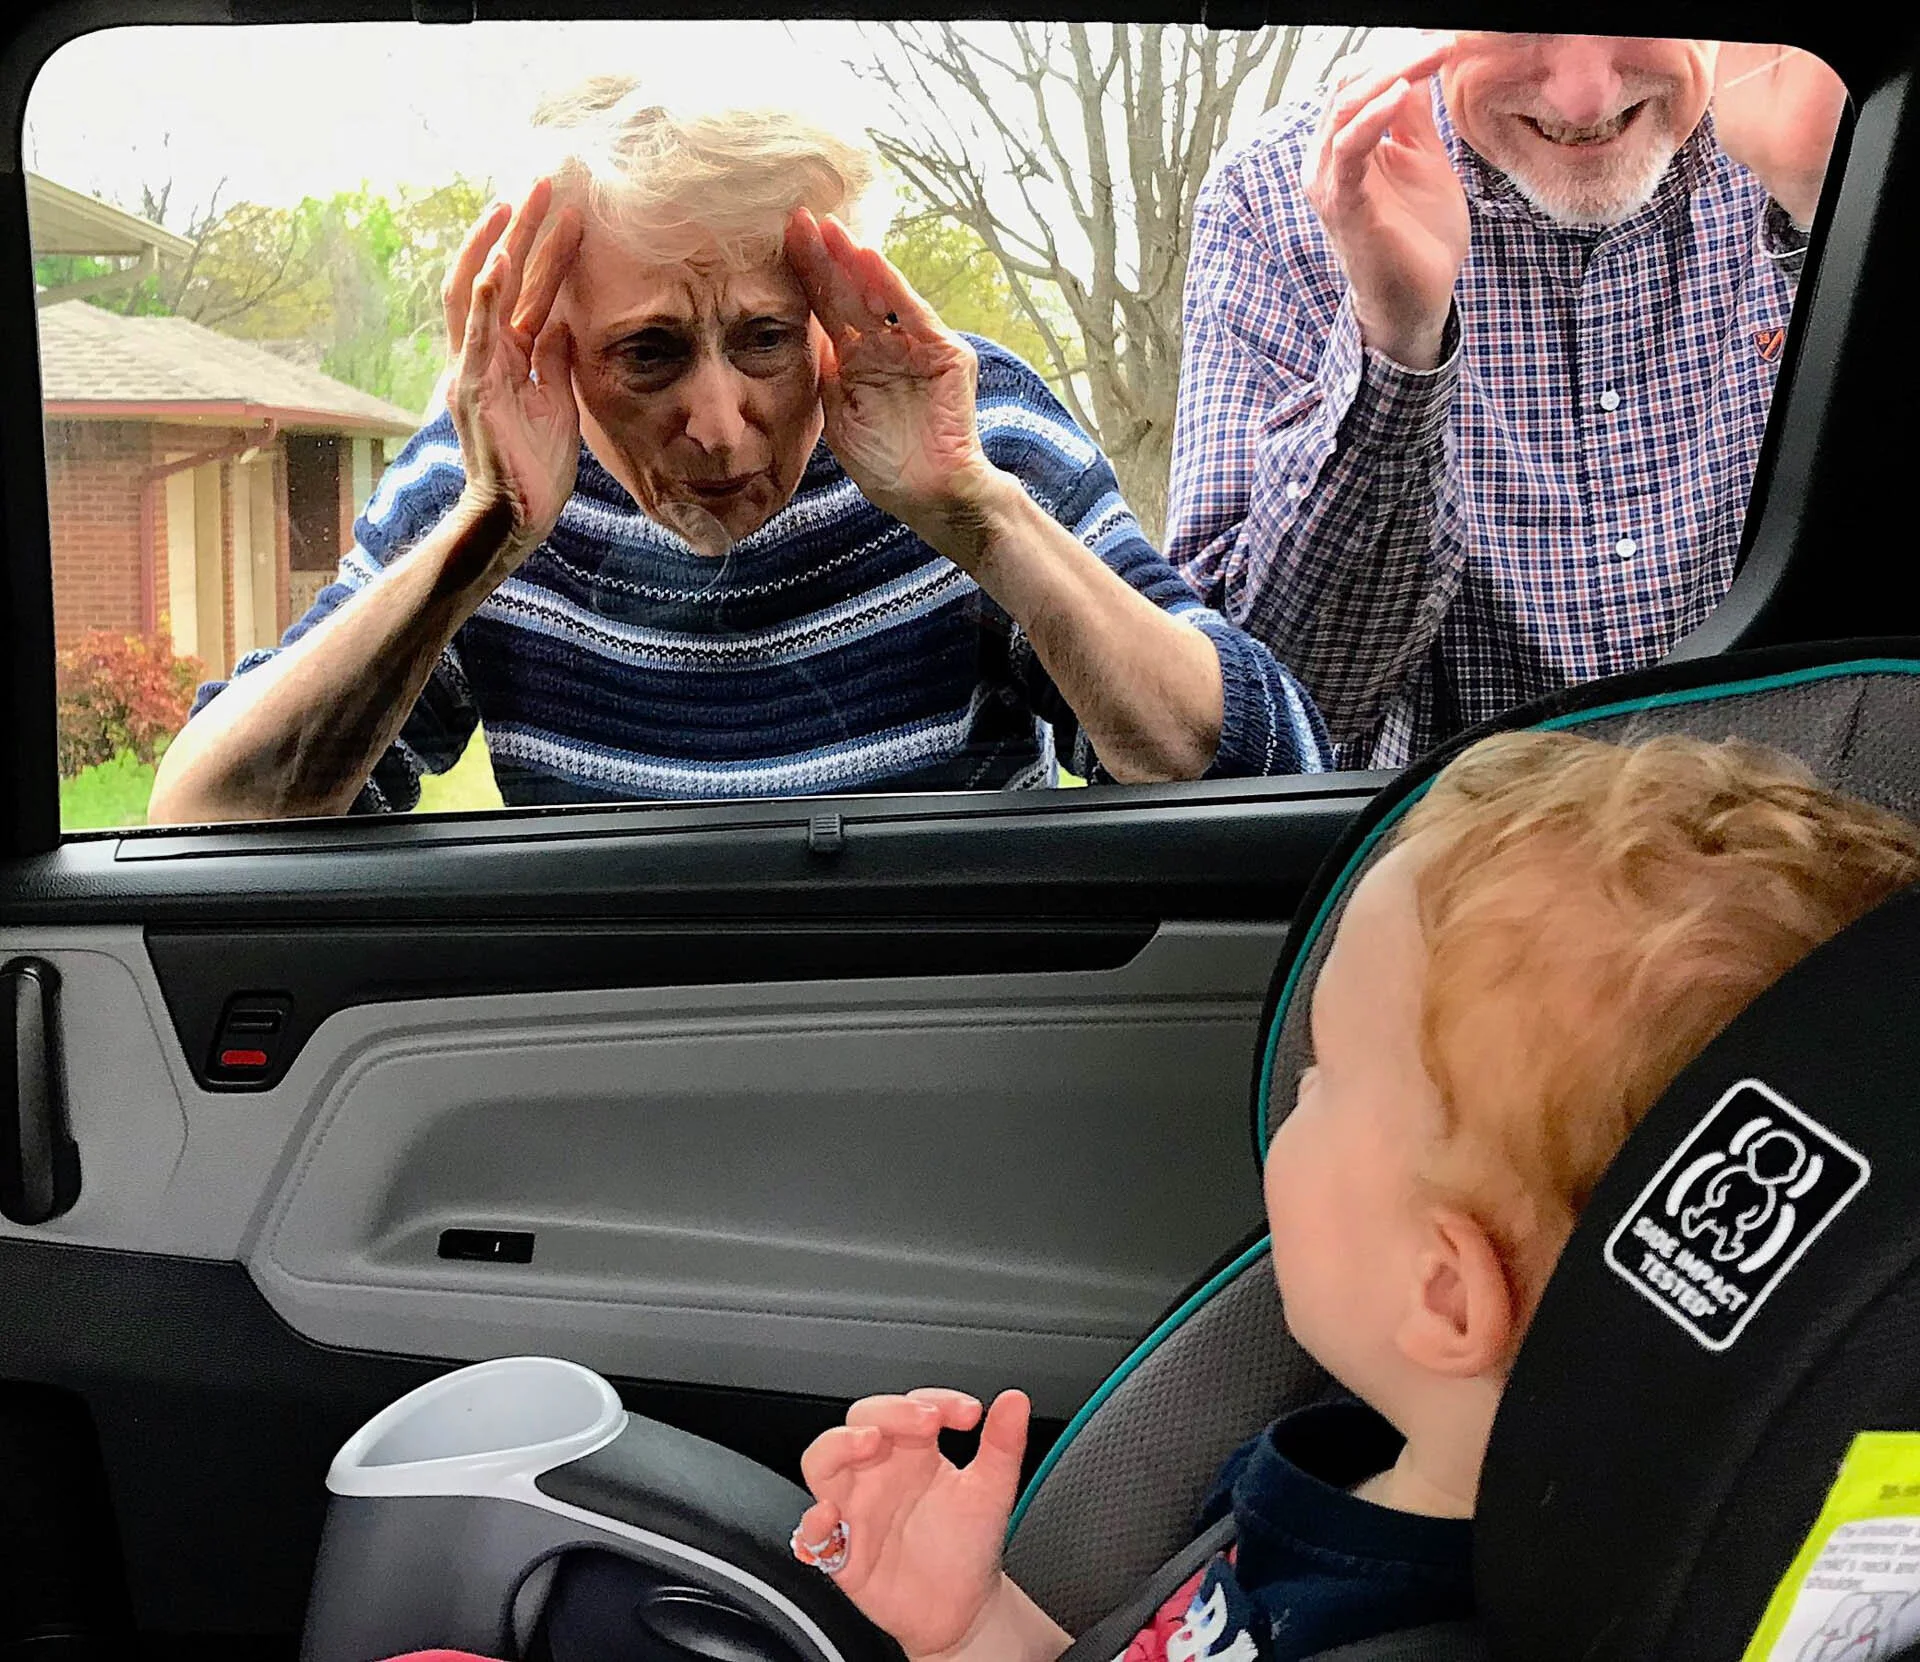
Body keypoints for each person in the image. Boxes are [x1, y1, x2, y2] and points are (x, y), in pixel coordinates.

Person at [789, 729, 1920, 1660]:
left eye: (1322, 1074)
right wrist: (977, 1628)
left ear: (1443, 1293)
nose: (1292, 1100)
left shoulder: (1413, 1630)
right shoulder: (1348, 1487)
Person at [148, 84, 1328, 823]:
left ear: (840, 307)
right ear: (550, 347)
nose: (719, 423)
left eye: (767, 338)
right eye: (647, 354)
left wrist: (978, 515)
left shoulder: (974, 425)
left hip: (954, 1042)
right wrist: (485, 537)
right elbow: (206, 817)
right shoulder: (481, 476)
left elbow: (1269, 771)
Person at [1163, 33, 1849, 769]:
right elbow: (1283, 710)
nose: (1584, 98)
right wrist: (1395, 343)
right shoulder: (1283, 194)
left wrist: (1831, 209)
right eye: (1519, 19)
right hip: (1454, 849)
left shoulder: (1823, 124)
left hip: (1804, 825)